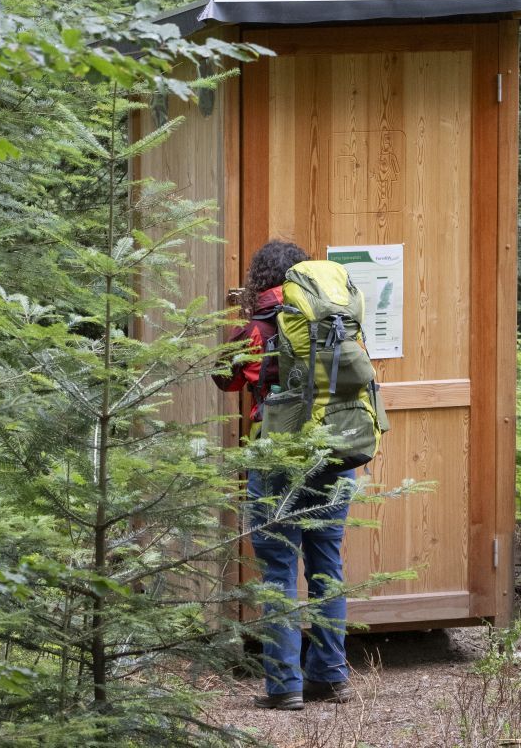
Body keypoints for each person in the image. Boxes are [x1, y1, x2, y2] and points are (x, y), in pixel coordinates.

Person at [213, 240, 356, 711]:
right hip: (334, 454)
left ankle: (284, 687)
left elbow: (224, 377)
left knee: (277, 571)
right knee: (326, 564)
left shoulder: (257, 330)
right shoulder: (334, 320)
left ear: (258, 280)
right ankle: (331, 676)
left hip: (275, 460)